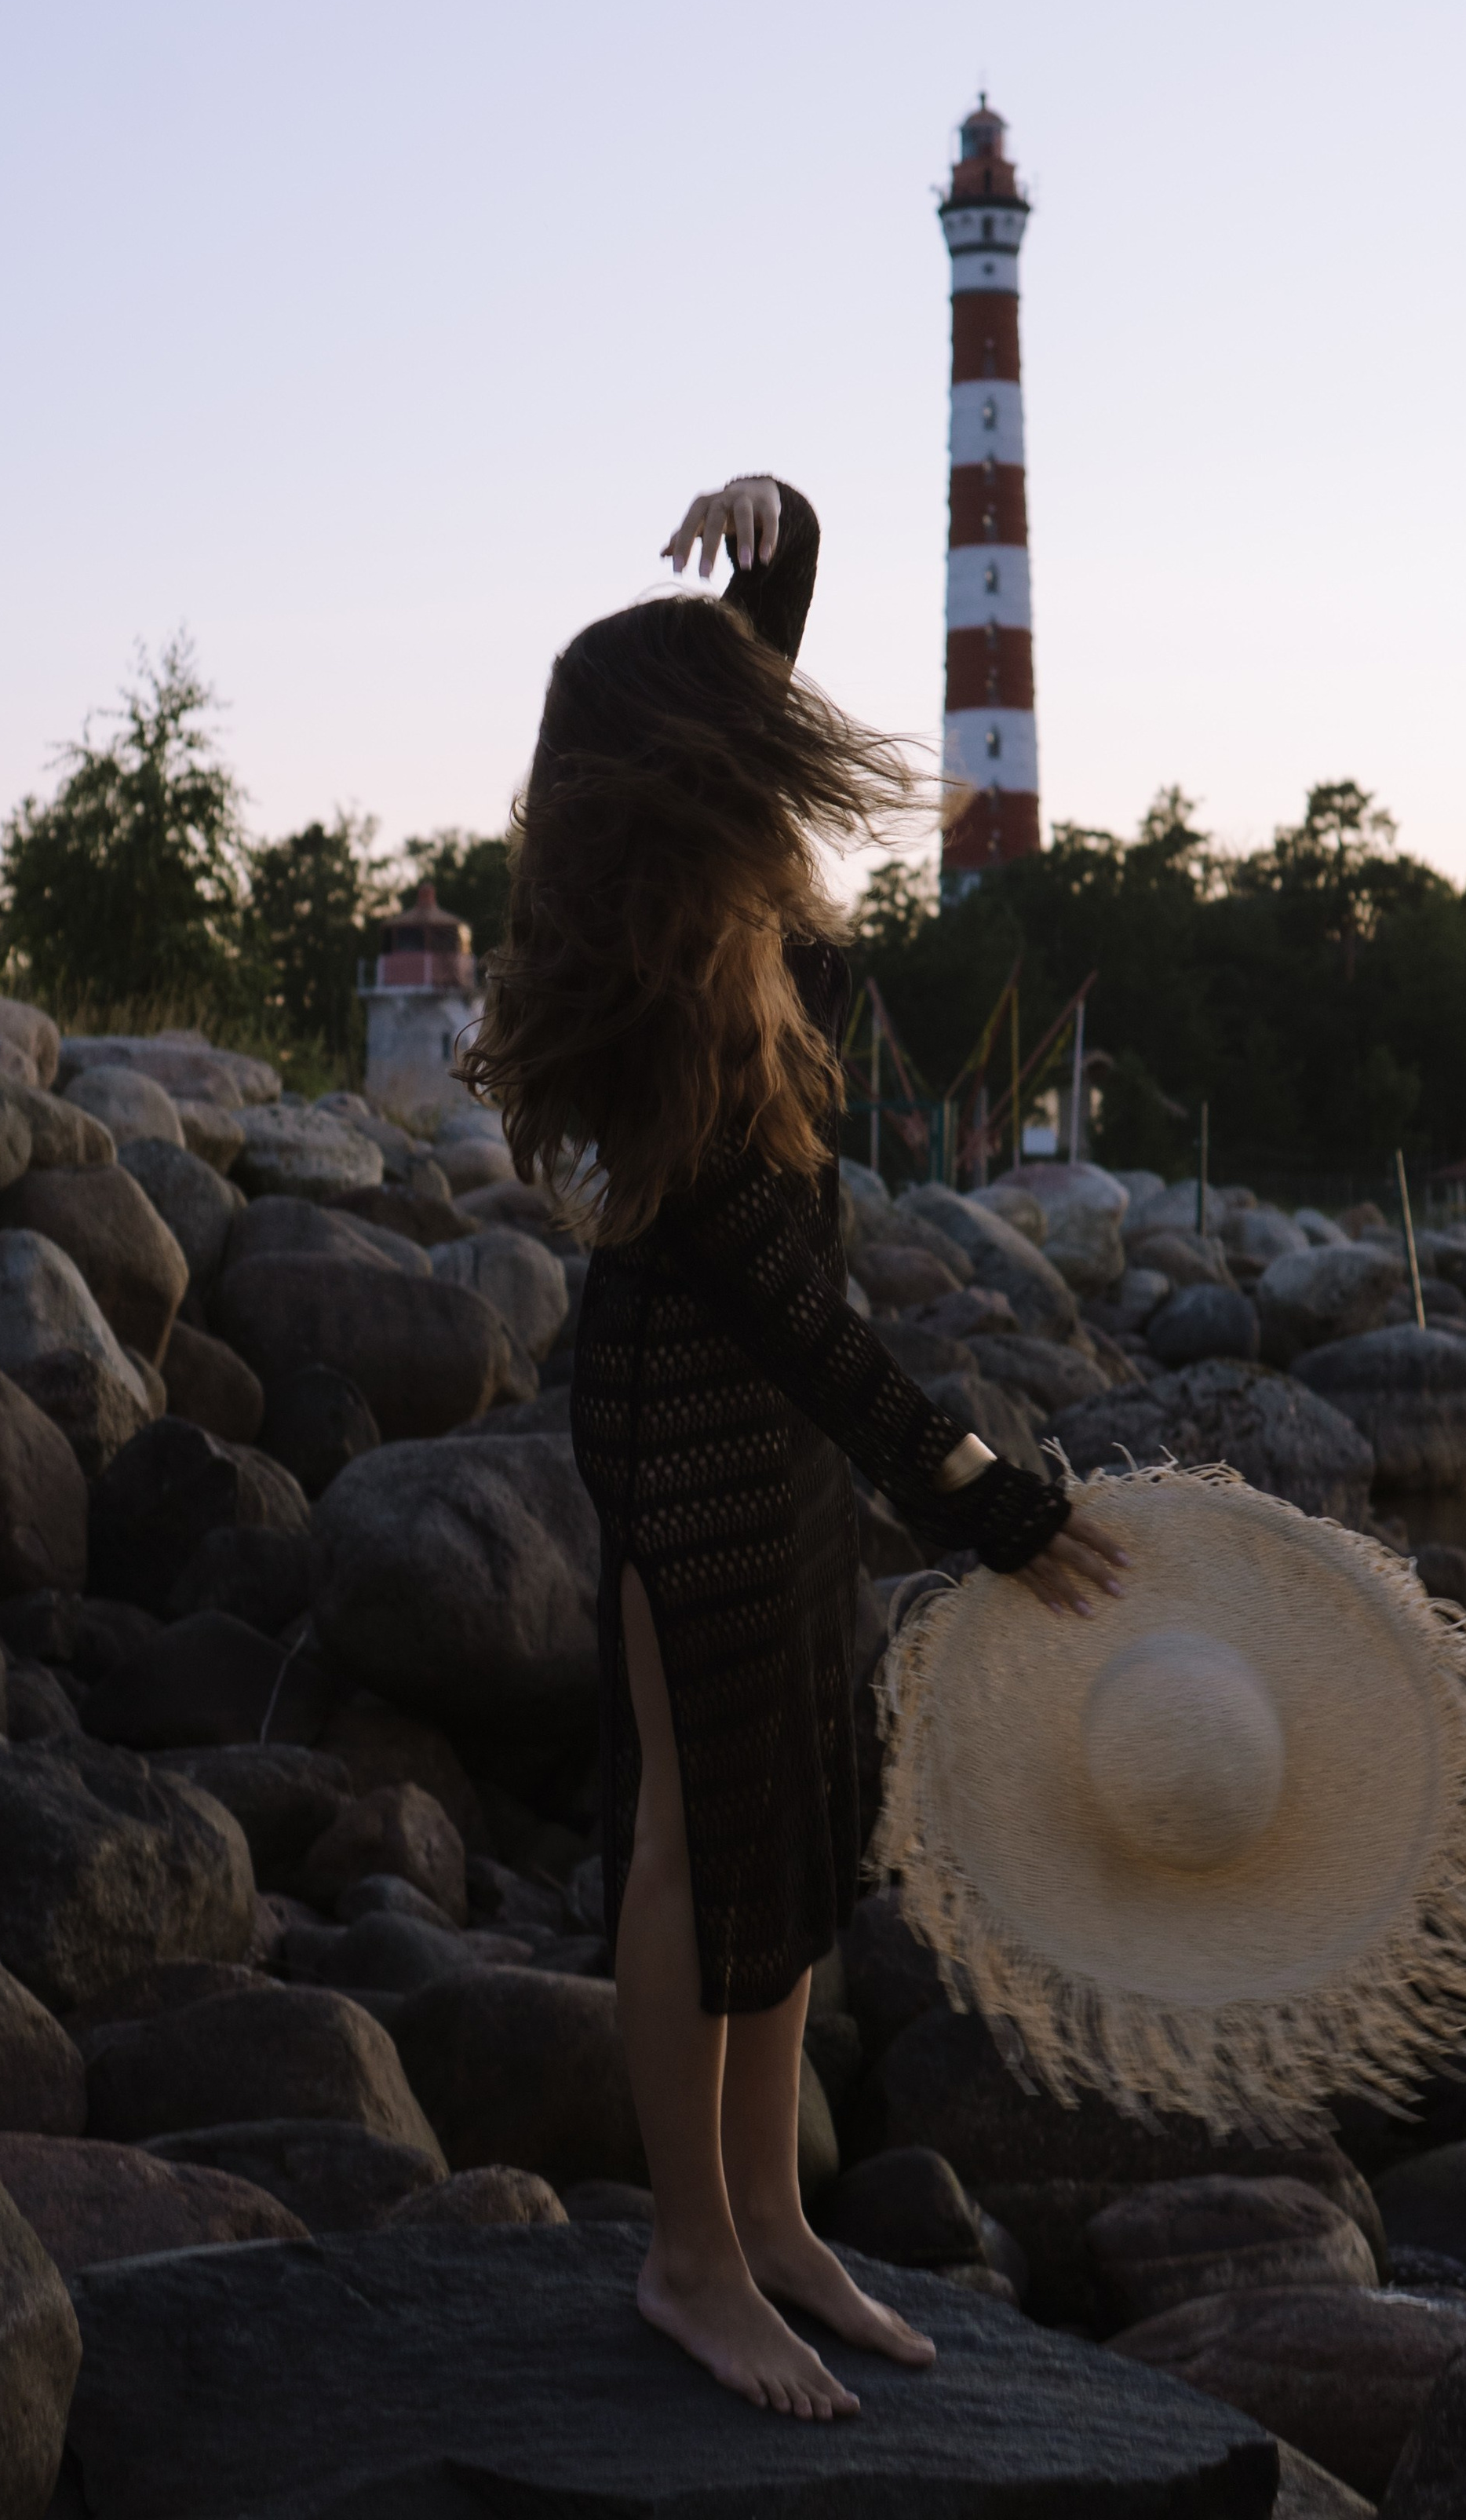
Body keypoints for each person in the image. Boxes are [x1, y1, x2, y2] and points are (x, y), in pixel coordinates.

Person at [461, 477, 1129, 2421]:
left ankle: (769, 2220)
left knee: (789, 1817)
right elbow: (788, 1312)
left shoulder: (718, 911)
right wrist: (975, 1491)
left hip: (755, 1419)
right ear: (686, 780)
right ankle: (687, 2255)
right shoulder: (674, 989)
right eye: (734, 726)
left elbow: (724, 695)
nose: (771, 747)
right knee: (692, 1832)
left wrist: (790, 545)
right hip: (686, 1419)